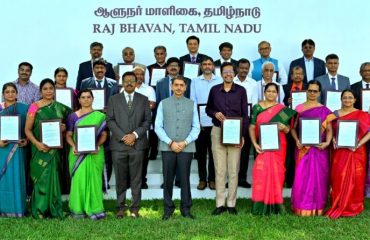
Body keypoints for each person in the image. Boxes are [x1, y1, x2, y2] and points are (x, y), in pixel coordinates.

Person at [24, 78, 71, 219]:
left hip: (54, 151)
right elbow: (27, 130)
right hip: (39, 149)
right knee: (41, 178)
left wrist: (63, 128)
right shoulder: (34, 107)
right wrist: (37, 143)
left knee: (53, 178)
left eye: (51, 88)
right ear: (40, 91)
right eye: (45, 89)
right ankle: (39, 210)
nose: (48, 91)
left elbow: (70, 126)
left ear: (54, 90)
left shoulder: (61, 108)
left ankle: (54, 208)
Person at [106, 72, 151, 218]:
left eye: (132, 81)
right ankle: (120, 207)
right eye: (126, 81)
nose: (129, 83)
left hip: (138, 145)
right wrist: (123, 136)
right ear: (122, 82)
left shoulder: (144, 100)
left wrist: (134, 135)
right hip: (119, 145)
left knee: (136, 178)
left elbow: (147, 121)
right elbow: (110, 120)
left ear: (137, 82)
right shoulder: (113, 99)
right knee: (120, 178)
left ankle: (135, 207)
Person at [155, 76, 200, 220]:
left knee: (185, 179)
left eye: (182, 85)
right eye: (176, 85)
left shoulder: (192, 104)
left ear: (185, 87)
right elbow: (158, 126)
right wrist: (170, 142)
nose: (179, 88)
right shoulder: (163, 103)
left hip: (186, 148)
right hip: (168, 147)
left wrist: (185, 142)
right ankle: (168, 209)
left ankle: (186, 209)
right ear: (172, 87)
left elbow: (196, 127)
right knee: (167, 179)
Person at [206, 62, 248, 215]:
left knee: (233, 169)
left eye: (231, 71)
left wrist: (242, 135)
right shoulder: (214, 90)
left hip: (235, 132)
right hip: (218, 131)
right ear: (221, 73)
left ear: (234, 73)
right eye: (225, 71)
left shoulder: (241, 91)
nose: (228, 74)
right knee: (220, 169)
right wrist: (214, 113)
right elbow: (208, 108)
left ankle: (231, 203)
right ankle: (220, 203)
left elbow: (245, 114)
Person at [249, 82, 296, 215]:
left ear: (277, 94)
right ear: (264, 93)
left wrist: (284, 128)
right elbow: (252, 127)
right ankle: (259, 205)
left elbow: (288, 130)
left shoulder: (282, 109)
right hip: (263, 146)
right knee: (261, 173)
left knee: (277, 173)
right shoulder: (257, 107)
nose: (271, 94)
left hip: (279, 146)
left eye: (273, 92)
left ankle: (276, 204)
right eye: (268, 91)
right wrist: (254, 143)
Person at [325, 89, 370, 219]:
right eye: (345, 97)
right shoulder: (333, 115)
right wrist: (332, 138)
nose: (347, 100)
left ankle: (354, 205)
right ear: (341, 99)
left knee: (356, 177)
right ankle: (338, 203)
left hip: (356, 151)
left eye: (350, 97)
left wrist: (359, 144)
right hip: (339, 151)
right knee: (338, 177)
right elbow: (329, 130)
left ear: (355, 100)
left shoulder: (362, 114)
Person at [290, 80, 332, 216]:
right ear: (306, 91)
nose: (312, 93)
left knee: (319, 178)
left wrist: (327, 143)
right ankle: (302, 206)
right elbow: (293, 128)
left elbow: (330, 130)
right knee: (302, 177)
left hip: (320, 150)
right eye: (310, 90)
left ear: (319, 93)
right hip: (302, 148)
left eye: (315, 91)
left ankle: (318, 207)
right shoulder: (298, 108)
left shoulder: (325, 110)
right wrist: (296, 140)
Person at [66, 89, 107, 220]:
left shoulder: (100, 116)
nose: (86, 99)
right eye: (82, 97)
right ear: (78, 100)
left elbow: (104, 134)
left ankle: (95, 209)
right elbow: (68, 135)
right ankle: (78, 210)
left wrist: (97, 145)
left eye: (88, 97)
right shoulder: (73, 116)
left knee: (94, 181)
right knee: (78, 181)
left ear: (93, 99)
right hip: (77, 153)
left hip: (95, 153)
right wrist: (73, 146)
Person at [80, 59, 118, 186]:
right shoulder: (85, 82)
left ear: (106, 70)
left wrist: (110, 109)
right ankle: (92, 181)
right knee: (90, 149)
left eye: (102, 68)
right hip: (89, 122)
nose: (100, 70)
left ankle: (104, 183)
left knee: (107, 152)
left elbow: (117, 102)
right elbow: (80, 100)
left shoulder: (114, 84)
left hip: (107, 122)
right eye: (97, 68)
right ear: (93, 69)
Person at [190, 56, 222, 190]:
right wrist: (197, 122)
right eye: (204, 64)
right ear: (201, 67)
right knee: (201, 153)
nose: (207, 66)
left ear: (213, 66)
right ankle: (202, 179)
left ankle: (212, 179)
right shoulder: (195, 81)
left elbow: (221, 102)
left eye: (210, 64)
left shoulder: (220, 80)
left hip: (216, 122)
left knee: (214, 152)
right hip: (201, 123)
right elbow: (193, 102)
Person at [0, 83, 29, 217]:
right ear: (3, 94)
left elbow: (31, 129)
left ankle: (17, 208)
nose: (10, 94)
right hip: (2, 148)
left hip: (17, 148)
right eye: (7, 92)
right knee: (3, 178)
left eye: (13, 91)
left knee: (16, 177)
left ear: (17, 93)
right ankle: (3, 208)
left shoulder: (25, 108)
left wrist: (26, 140)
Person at [234, 58, 258, 188]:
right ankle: (231, 179)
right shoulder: (231, 80)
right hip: (232, 121)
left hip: (246, 121)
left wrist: (250, 122)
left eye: (246, 68)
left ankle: (242, 178)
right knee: (232, 150)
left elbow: (254, 104)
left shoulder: (253, 83)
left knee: (244, 151)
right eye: (241, 68)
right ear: (237, 68)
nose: (244, 70)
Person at [131, 66, 156, 189]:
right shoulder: (125, 89)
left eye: (142, 74)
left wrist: (133, 108)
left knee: (143, 155)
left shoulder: (149, 89)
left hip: (144, 127)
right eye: (137, 74)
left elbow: (151, 105)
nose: (139, 76)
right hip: (129, 127)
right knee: (130, 155)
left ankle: (142, 180)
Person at [282, 66, 308, 187]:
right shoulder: (285, 88)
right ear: (291, 76)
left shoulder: (308, 88)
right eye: (295, 74)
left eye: (300, 74)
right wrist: (287, 103)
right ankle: (289, 180)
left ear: (303, 75)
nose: (298, 76)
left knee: (302, 152)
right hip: (288, 124)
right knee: (288, 153)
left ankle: (302, 179)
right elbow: (280, 106)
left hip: (304, 124)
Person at [54, 67, 78, 195]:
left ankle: (68, 188)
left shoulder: (72, 92)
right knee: (56, 158)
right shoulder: (50, 91)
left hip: (69, 126)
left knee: (67, 157)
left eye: (64, 76)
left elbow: (75, 108)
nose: (61, 78)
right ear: (55, 77)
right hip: (53, 128)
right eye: (59, 76)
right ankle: (57, 187)